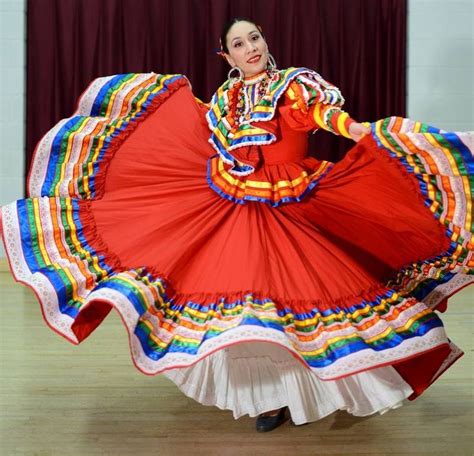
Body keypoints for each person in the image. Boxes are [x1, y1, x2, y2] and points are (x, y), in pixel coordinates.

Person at [1, 17, 472, 433]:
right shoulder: (226, 98)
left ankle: (299, 389)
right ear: (226, 56)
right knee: (244, 305)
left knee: (294, 299)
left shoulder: (292, 85)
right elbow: (208, 133)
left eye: (255, 38)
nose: (252, 48)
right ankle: (266, 397)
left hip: (292, 200)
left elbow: (324, 116)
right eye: (240, 44)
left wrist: (363, 132)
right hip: (232, 200)